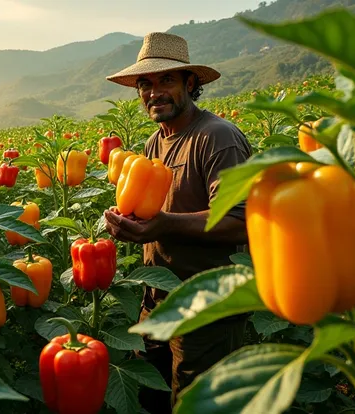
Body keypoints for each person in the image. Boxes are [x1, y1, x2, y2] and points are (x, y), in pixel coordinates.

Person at [103, 32, 252, 413]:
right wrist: (127, 222)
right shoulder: (157, 142)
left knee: (196, 404)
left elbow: (241, 221)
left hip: (207, 308)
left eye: (166, 80)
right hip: (157, 301)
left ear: (190, 83)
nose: (154, 92)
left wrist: (164, 225)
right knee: (149, 398)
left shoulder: (217, 137)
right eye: (145, 84)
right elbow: (154, 213)